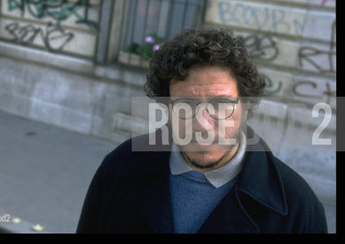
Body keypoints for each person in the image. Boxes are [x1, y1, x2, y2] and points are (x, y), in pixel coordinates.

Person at [76, 28, 328, 233]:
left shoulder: (297, 208)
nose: (203, 124)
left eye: (221, 104)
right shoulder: (120, 169)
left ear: (247, 106)